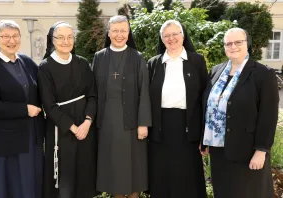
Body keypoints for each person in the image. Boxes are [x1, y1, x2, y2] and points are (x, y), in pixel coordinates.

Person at [202, 27, 279, 198]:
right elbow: (208, 106)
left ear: (247, 44)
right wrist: (204, 139)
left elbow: (269, 115)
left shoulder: (263, 74)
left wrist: (261, 150)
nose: (233, 46)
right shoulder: (216, 71)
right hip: (219, 149)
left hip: (247, 150)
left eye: (238, 42)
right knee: (224, 192)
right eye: (228, 43)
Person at [0, 20, 44, 198]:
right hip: (5, 142)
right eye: (5, 36)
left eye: (15, 36)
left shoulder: (28, 62)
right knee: (9, 189)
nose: (11, 40)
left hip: (30, 138)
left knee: (30, 187)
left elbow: (44, 88)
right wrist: (24, 109)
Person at [92, 15, 151, 198]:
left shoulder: (137, 57)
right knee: (114, 170)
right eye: (115, 31)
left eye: (123, 31)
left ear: (128, 33)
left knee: (134, 171)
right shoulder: (99, 57)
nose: (119, 35)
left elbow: (145, 92)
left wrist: (143, 123)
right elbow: (92, 91)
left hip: (132, 124)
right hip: (107, 124)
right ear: (109, 33)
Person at [147, 20, 207, 198]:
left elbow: (204, 98)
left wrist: (204, 134)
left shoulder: (197, 60)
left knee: (187, 175)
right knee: (162, 173)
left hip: (188, 127)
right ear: (162, 39)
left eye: (175, 34)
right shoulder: (153, 63)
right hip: (160, 127)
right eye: (167, 35)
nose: (171, 38)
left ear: (183, 36)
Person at [38, 21, 97, 198]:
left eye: (70, 37)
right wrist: (73, 127)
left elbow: (93, 95)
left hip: (85, 129)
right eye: (61, 37)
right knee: (64, 181)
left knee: (84, 176)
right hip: (60, 129)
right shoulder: (45, 67)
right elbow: (48, 105)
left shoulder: (83, 64)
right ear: (52, 40)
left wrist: (87, 122)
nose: (66, 41)